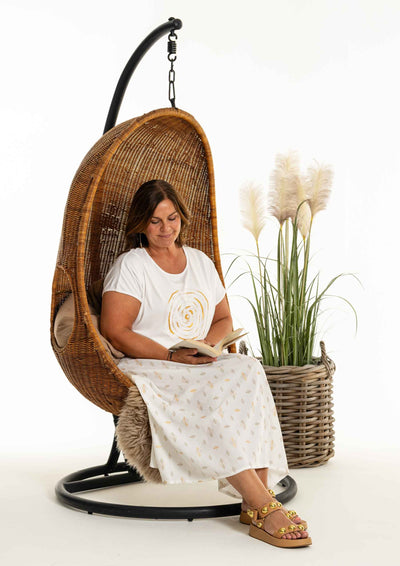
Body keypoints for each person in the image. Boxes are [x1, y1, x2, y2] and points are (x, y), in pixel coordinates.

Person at [100, 179, 311, 548]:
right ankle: (263, 504)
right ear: (140, 224)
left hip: (196, 359)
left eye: (172, 218)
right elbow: (115, 331)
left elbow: (223, 318)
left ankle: (253, 501)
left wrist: (208, 347)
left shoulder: (199, 262)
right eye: (155, 221)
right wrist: (171, 355)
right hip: (152, 363)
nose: (165, 229)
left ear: (182, 217)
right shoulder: (131, 266)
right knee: (209, 391)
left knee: (248, 370)